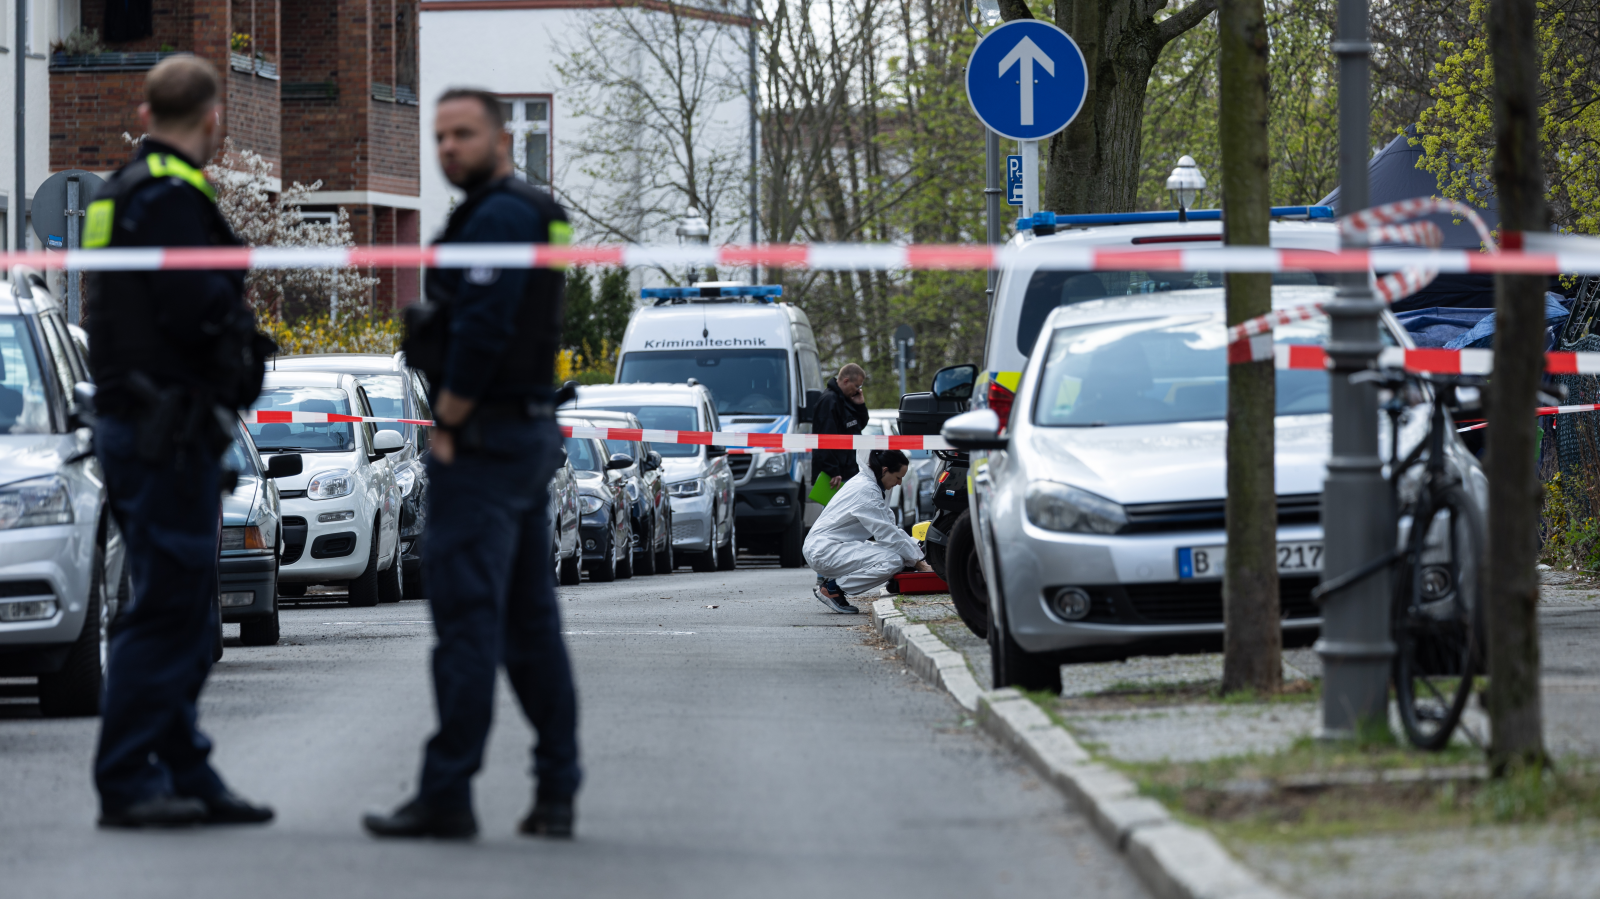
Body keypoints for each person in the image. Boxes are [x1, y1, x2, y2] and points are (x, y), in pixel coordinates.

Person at [363, 88, 580, 841]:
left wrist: (449, 423)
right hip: (519, 438)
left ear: (501, 140)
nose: (448, 147)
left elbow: (484, 331)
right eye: (440, 136)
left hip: (485, 444)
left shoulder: (498, 217)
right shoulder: (526, 212)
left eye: (464, 133)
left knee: (465, 624)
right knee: (528, 625)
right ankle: (556, 788)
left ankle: (447, 792)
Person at [87, 56, 274, 828]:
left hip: (144, 424)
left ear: (144, 113)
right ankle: (128, 778)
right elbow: (197, 310)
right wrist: (244, 337)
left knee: (188, 615)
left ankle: (185, 767)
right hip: (164, 431)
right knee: (168, 610)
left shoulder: (120, 190)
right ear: (212, 119)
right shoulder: (169, 195)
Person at [804, 450, 932, 614]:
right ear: (885, 470)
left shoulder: (870, 484)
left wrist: (917, 554)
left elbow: (892, 529)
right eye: (898, 477)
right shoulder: (867, 491)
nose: (900, 483)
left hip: (831, 546)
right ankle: (833, 589)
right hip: (824, 551)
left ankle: (894, 579)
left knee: (900, 553)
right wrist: (918, 563)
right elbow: (886, 534)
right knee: (892, 560)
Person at [812, 363, 868, 490]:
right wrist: (833, 471)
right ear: (846, 381)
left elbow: (860, 425)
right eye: (857, 386)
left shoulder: (846, 400)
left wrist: (860, 405)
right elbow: (825, 439)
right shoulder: (829, 401)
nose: (858, 390)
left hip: (848, 471)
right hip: (834, 476)